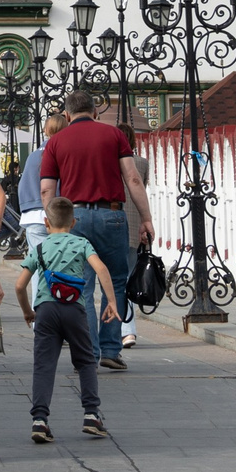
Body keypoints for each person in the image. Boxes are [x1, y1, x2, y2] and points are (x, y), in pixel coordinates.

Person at [39, 91, 153, 369]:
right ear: (95, 112)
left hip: (74, 218)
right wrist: (146, 218)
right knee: (115, 281)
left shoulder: (56, 142)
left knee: (82, 287)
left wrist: (55, 224)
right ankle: (111, 350)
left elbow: (46, 189)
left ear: (66, 116)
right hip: (111, 215)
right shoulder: (115, 136)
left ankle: (87, 351)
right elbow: (134, 179)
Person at [14, 197, 116, 443]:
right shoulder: (82, 243)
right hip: (74, 310)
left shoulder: (39, 248)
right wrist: (111, 302)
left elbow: (19, 286)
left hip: (46, 311)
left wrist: (28, 311)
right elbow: (101, 269)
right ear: (74, 222)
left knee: (44, 366)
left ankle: (39, 420)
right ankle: (91, 415)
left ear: (46, 223)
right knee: (85, 361)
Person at [120, 128, 151, 351]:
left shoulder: (108, 162)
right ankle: (128, 331)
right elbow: (141, 189)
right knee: (127, 281)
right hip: (133, 229)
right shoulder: (141, 163)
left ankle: (118, 331)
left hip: (111, 225)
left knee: (111, 282)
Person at [20, 113, 66, 255]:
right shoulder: (64, 153)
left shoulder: (33, 155)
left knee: (39, 267)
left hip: (34, 215)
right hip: (58, 214)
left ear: (46, 130)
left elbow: (24, 185)